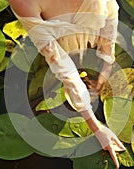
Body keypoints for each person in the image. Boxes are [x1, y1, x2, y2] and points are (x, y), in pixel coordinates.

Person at [8, 0, 126, 168]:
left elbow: (110, 9)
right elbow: (61, 65)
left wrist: (107, 63)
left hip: (93, 37)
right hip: (58, 47)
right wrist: (97, 128)